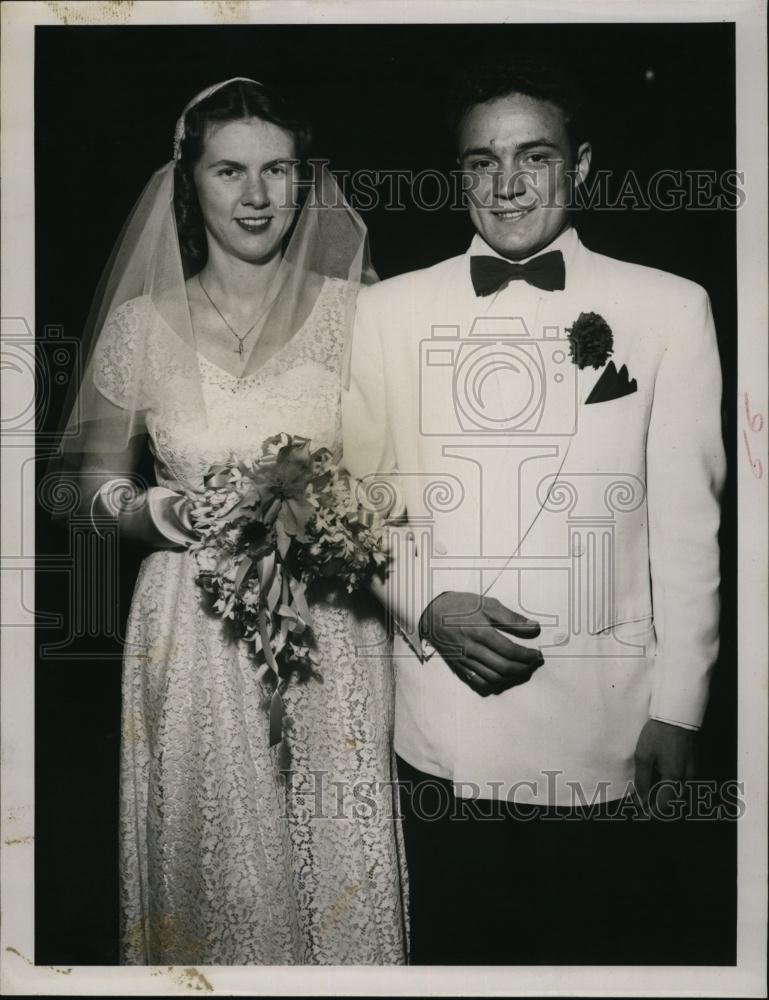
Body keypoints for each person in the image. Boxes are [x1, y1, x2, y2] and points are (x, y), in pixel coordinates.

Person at [342, 56, 726, 964]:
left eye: (534, 157)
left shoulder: (670, 307)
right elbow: (356, 507)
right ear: (458, 175)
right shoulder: (384, 313)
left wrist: (679, 706)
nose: (506, 184)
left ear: (581, 165)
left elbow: (686, 527)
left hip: (608, 719)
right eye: (481, 162)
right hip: (446, 719)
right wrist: (426, 605)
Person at [53, 78, 408, 965]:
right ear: (190, 181)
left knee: (337, 871)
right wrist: (147, 510)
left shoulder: (359, 313)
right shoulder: (140, 327)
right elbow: (75, 486)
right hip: (192, 624)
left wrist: (347, 510)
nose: (255, 197)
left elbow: (398, 475)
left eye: (277, 170)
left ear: (303, 178)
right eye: (228, 172)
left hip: (330, 626)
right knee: (212, 871)